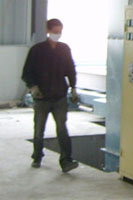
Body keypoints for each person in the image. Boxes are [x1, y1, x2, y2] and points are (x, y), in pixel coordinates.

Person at [21, 18, 79, 172]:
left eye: (59, 31)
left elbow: (71, 69)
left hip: (59, 96)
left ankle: (66, 161)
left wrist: (73, 88)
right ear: (48, 31)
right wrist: (33, 87)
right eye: (55, 31)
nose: (57, 34)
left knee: (62, 129)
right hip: (42, 98)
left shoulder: (64, 49)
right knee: (39, 130)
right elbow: (26, 72)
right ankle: (37, 156)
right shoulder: (37, 50)